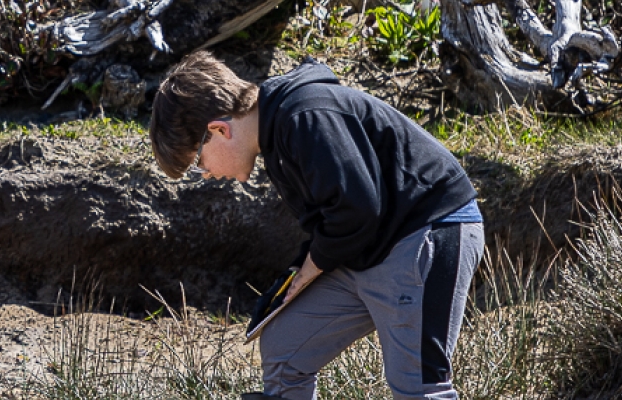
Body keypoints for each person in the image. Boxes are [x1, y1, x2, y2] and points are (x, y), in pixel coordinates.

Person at [149, 51, 485, 399]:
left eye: (198, 163)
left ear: (219, 129)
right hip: (368, 247)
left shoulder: (304, 114)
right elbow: (334, 218)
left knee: (418, 386)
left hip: (425, 229)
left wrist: (312, 267)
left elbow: (357, 208)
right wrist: (299, 271)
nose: (207, 174)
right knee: (284, 348)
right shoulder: (274, 138)